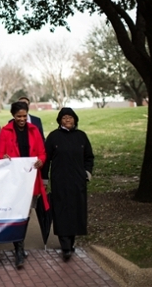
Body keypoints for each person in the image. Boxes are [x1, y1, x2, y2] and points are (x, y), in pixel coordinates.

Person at [0, 101, 47, 268]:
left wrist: (41, 161)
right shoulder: (5, 132)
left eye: (24, 116)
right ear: (13, 115)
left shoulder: (34, 130)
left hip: (31, 179)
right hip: (14, 181)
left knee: (26, 215)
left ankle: (20, 245)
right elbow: (0, 155)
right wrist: (4, 159)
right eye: (18, 116)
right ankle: (18, 248)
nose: (22, 119)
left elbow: (42, 153)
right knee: (16, 214)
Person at [42, 107, 94, 262]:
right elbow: (46, 160)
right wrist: (45, 180)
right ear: (60, 120)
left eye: (70, 118)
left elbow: (89, 157)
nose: (68, 120)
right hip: (60, 181)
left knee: (75, 211)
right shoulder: (53, 137)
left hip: (78, 181)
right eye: (64, 118)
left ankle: (71, 243)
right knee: (62, 212)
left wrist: (87, 173)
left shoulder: (81, 136)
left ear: (75, 119)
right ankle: (65, 246)